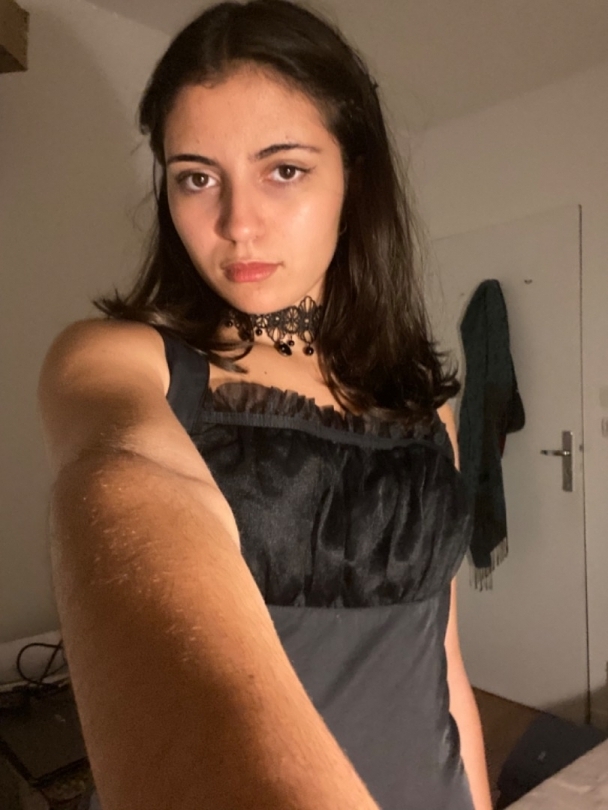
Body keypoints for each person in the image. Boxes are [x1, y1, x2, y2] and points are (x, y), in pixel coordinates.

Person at [38, 2, 492, 809]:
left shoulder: (427, 412)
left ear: (356, 175)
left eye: (283, 170)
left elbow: (445, 667)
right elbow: (123, 475)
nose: (237, 224)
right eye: (196, 177)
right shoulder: (120, 361)